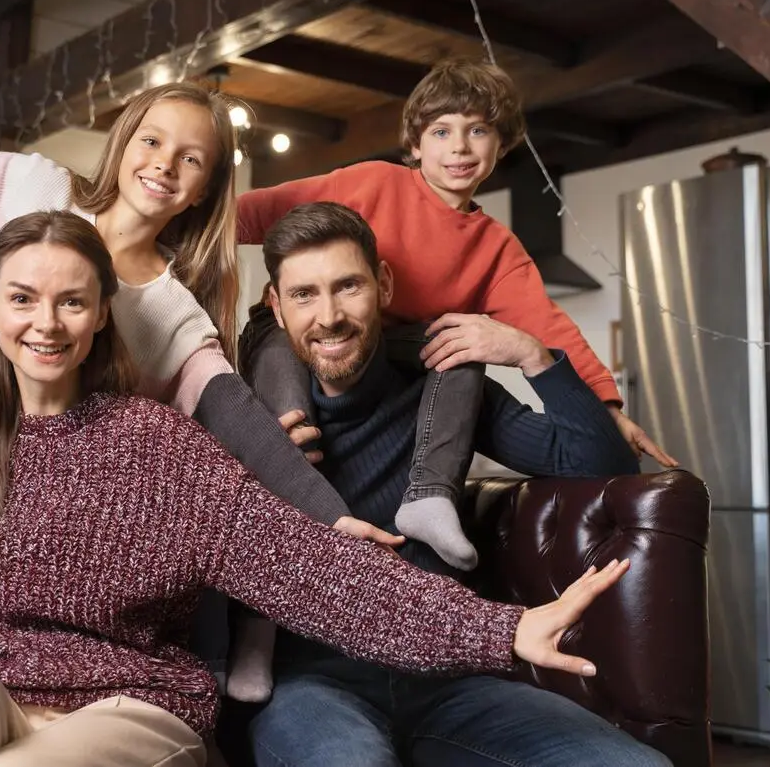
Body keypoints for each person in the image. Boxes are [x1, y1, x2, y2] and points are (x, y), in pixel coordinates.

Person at [0, 210, 631, 767]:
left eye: (70, 301)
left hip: (130, 712)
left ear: (99, 317)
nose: (44, 322)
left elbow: (312, 569)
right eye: (22, 299)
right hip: (0, 699)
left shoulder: (158, 446)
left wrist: (502, 629)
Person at [0, 11, 391, 692]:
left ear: (206, 186)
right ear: (124, 141)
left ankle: (205, 675)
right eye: (153, 141)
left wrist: (333, 518)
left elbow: (242, 422)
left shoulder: (173, 312)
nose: (165, 163)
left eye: (191, 158)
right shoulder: (32, 189)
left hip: (59, 468)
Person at [235, 202, 669, 767]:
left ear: (383, 285)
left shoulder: (439, 395)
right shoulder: (245, 413)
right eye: (304, 295)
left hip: (454, 677)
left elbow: (602, 464)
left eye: (348, 287)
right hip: (313, 684)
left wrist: (531, 355)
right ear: (276, 304)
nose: (330, 315)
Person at [235, 59, 677, 574]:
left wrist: (605, 403)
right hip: (292, 348)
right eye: (442, 131)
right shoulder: (373, 183)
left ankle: (428, 495)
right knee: (279, 378)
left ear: (501, 144)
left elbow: (549, 328)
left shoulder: (496, 249)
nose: (461, 147)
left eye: (478, 131)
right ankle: (287, 467)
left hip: (400, 350)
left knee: (459, 342)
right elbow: (255, 212)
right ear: (416, 145)